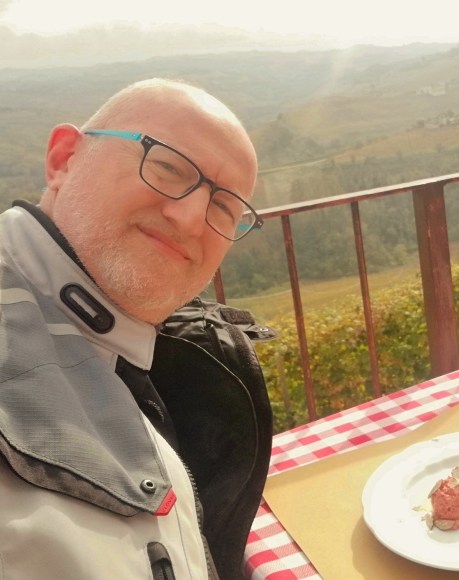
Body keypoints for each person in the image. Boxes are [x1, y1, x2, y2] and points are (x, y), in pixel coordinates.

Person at [0, 78, 274, 579]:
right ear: (63, 159)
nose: (190, 218)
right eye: (168, 167)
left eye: (223, 207)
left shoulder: (142, 348)